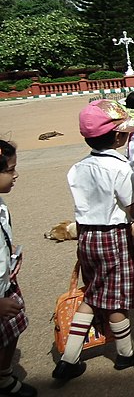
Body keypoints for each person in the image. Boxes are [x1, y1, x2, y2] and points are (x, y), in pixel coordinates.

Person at [54, 100, 134, 381]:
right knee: (116, 300)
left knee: (93, 292)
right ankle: (127, 351)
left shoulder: (78, 167)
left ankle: (70, 357)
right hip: (114, 236)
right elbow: (130, 204)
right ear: (117, 136)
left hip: (87, 236)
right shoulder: (121, 168)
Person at [0, 141, 36, 397]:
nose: (16, 175)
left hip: (5, 282)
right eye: (10, 170)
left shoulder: (1, 204)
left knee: (14, 327)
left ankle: (3, 376)